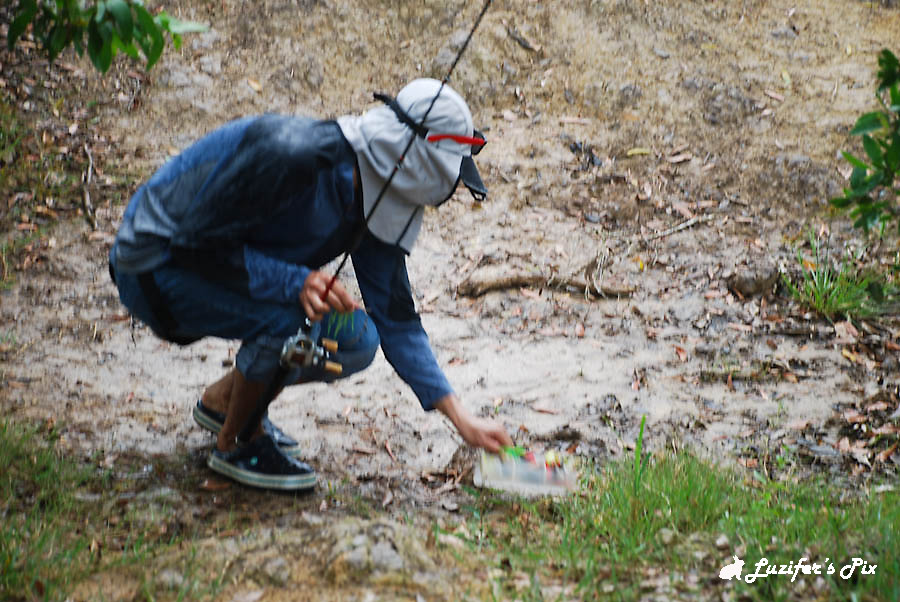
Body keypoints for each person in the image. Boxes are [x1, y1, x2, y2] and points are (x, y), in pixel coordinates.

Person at [109, 78, 514, 490]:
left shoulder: (375, 196)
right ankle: (237, 443)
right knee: (293, 312)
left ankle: (223, 405)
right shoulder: (290, 155)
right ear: (418, 166)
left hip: (205, 266)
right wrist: (295, 281)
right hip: (153, 267)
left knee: (355, 337)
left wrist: (461, 418)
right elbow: (193, 244)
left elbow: (398, 322)